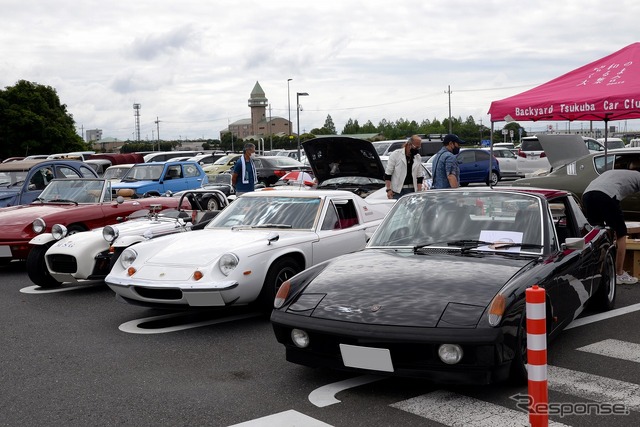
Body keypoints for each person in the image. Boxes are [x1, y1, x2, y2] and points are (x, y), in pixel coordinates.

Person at [582, 168, 640, 284]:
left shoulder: (618, 173)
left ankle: (592, 270)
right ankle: (619, 274)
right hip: (606, 195)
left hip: (587, 195)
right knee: (621, 234)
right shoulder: (638, 176)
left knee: (596, 233)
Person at [383, 135, 425, 199]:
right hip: (397, 191)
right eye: (416, 147)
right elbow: (388, 174)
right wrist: (388, 189)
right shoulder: (396, 154)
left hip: (412, 190)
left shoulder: (418, 157)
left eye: (419, 148)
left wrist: (419, 192)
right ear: (409, 144)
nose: (417, 150)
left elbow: (419, 176)